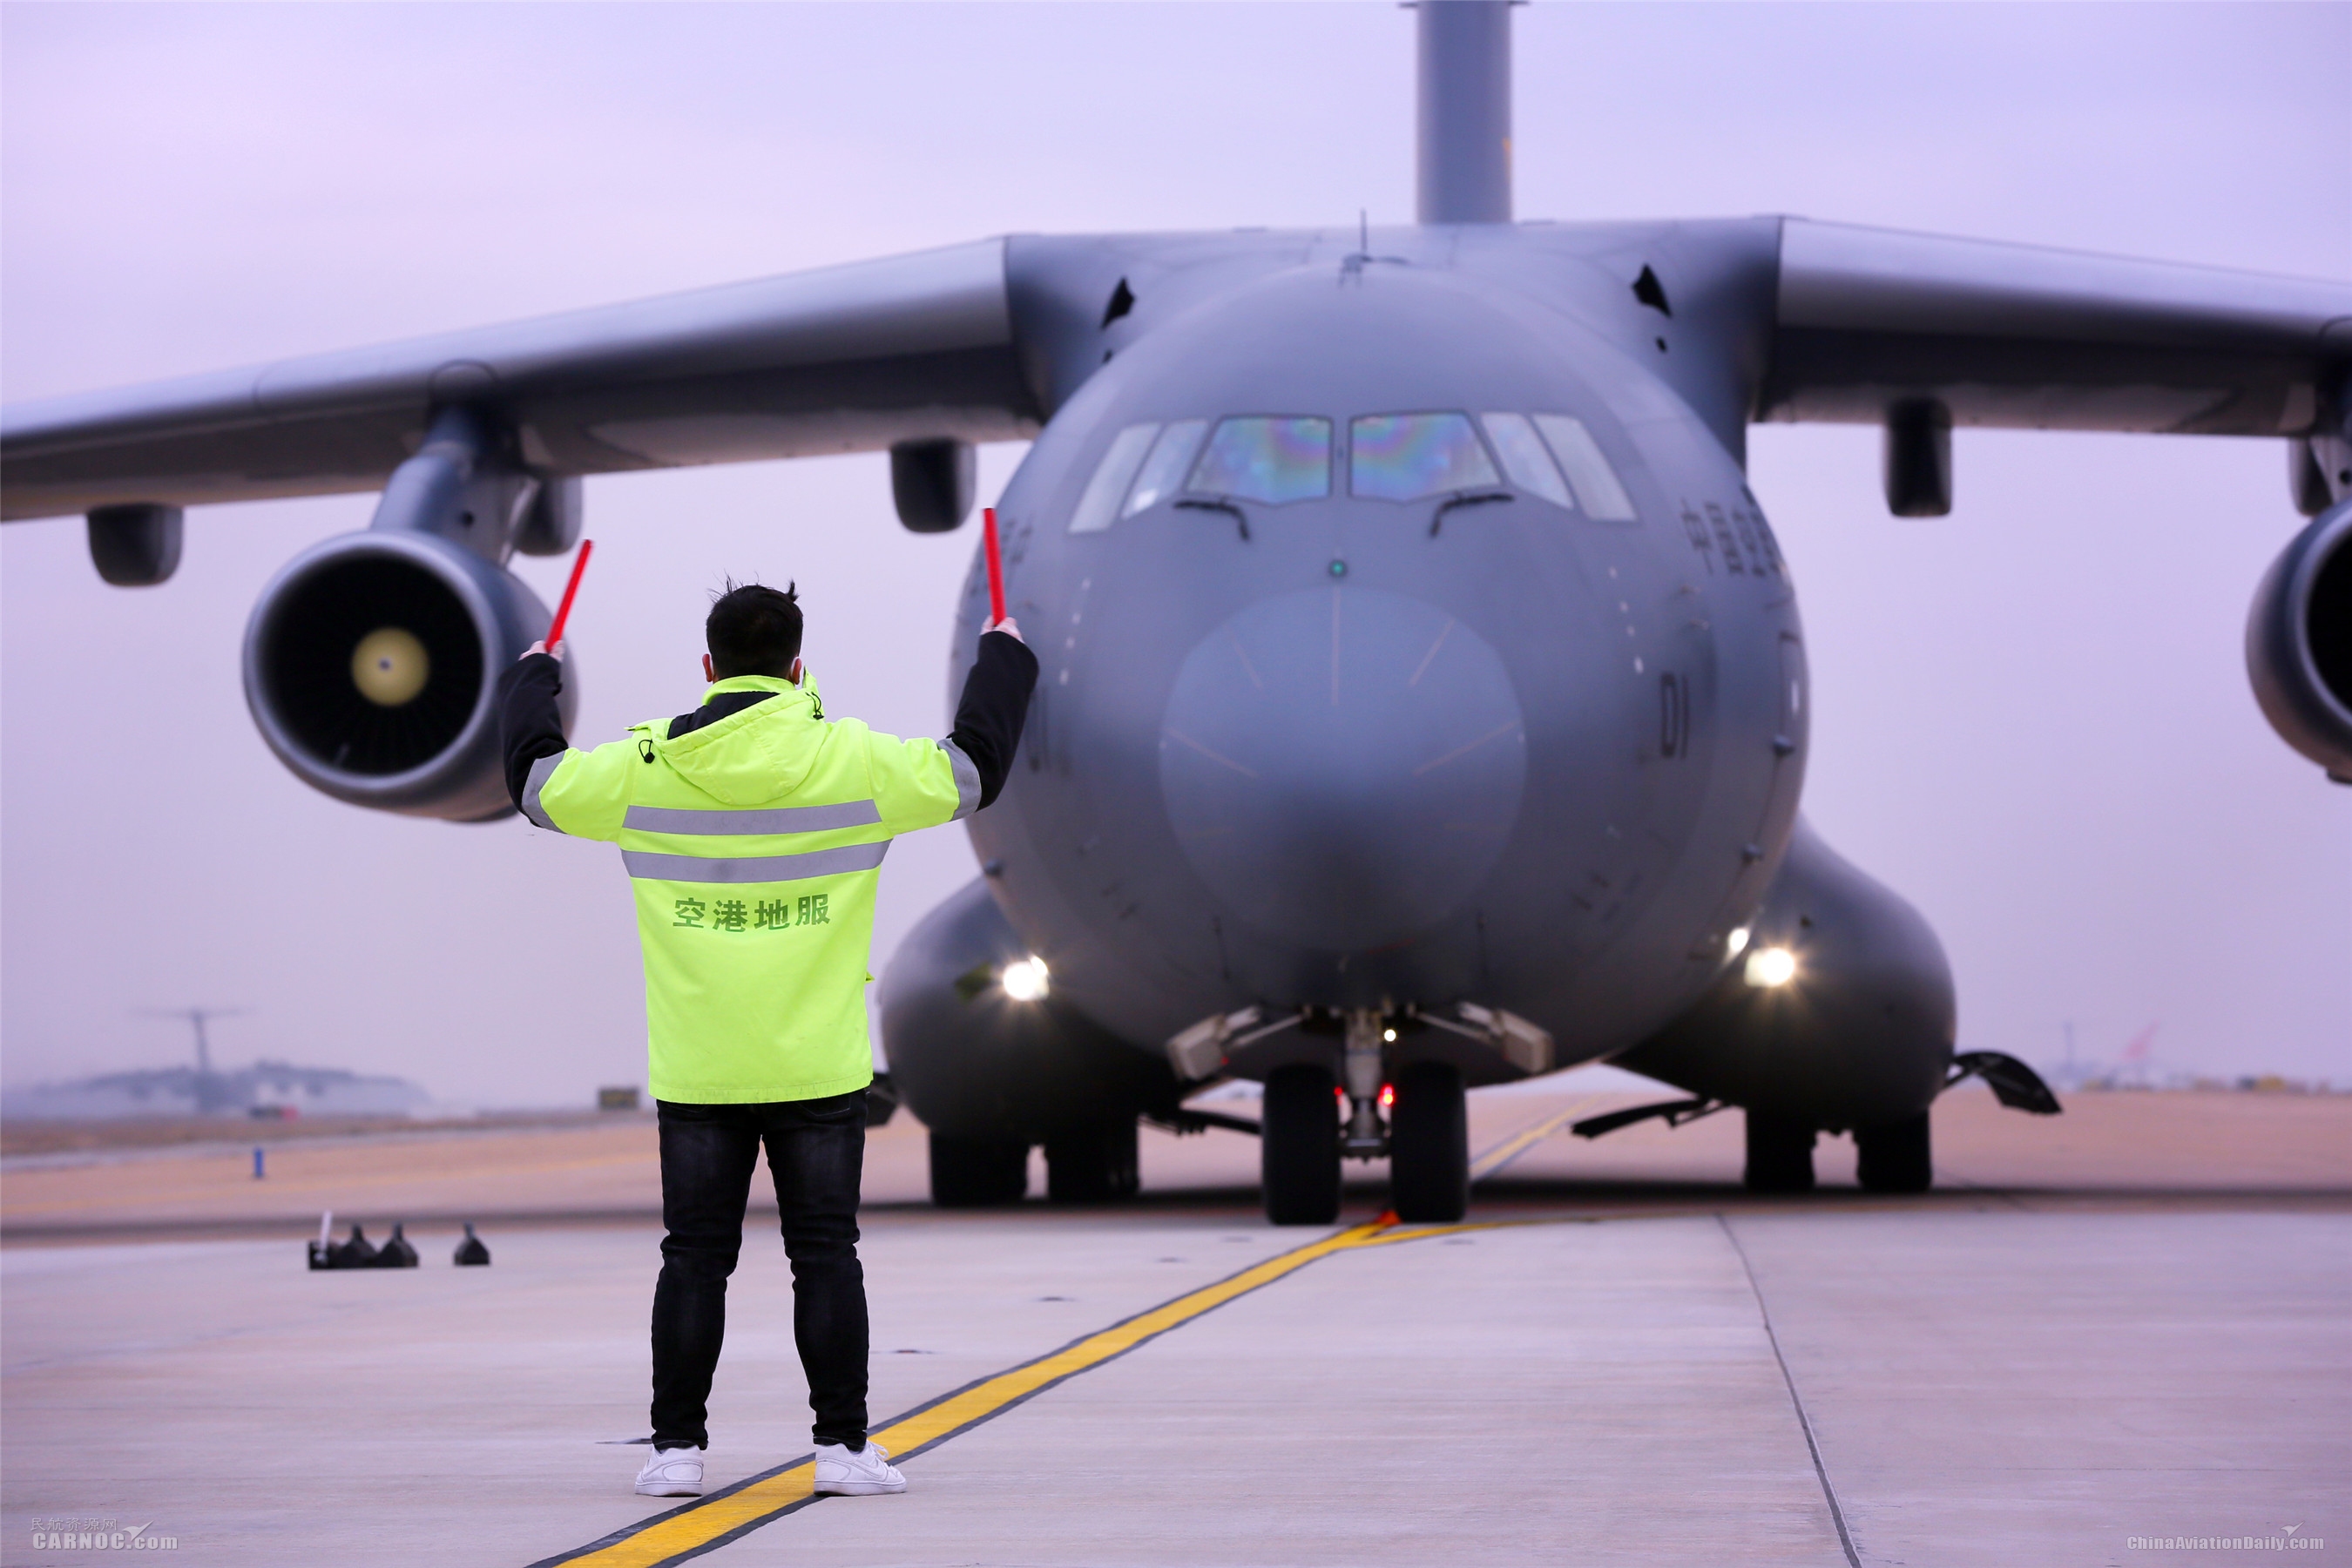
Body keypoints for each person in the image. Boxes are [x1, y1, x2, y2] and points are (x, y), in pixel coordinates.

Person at [497, 579, 1035, 1500]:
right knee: (824, 1253)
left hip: (700, 1065)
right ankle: (840, 1451)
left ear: (708, 667)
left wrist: (532, 681)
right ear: (796, 665)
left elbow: (536, 784)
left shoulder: (646, 766)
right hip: (815, 1067)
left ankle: (674, 1454)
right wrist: (1004, 658)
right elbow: (975, 767)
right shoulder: (855, 762)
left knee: (693, 1258)